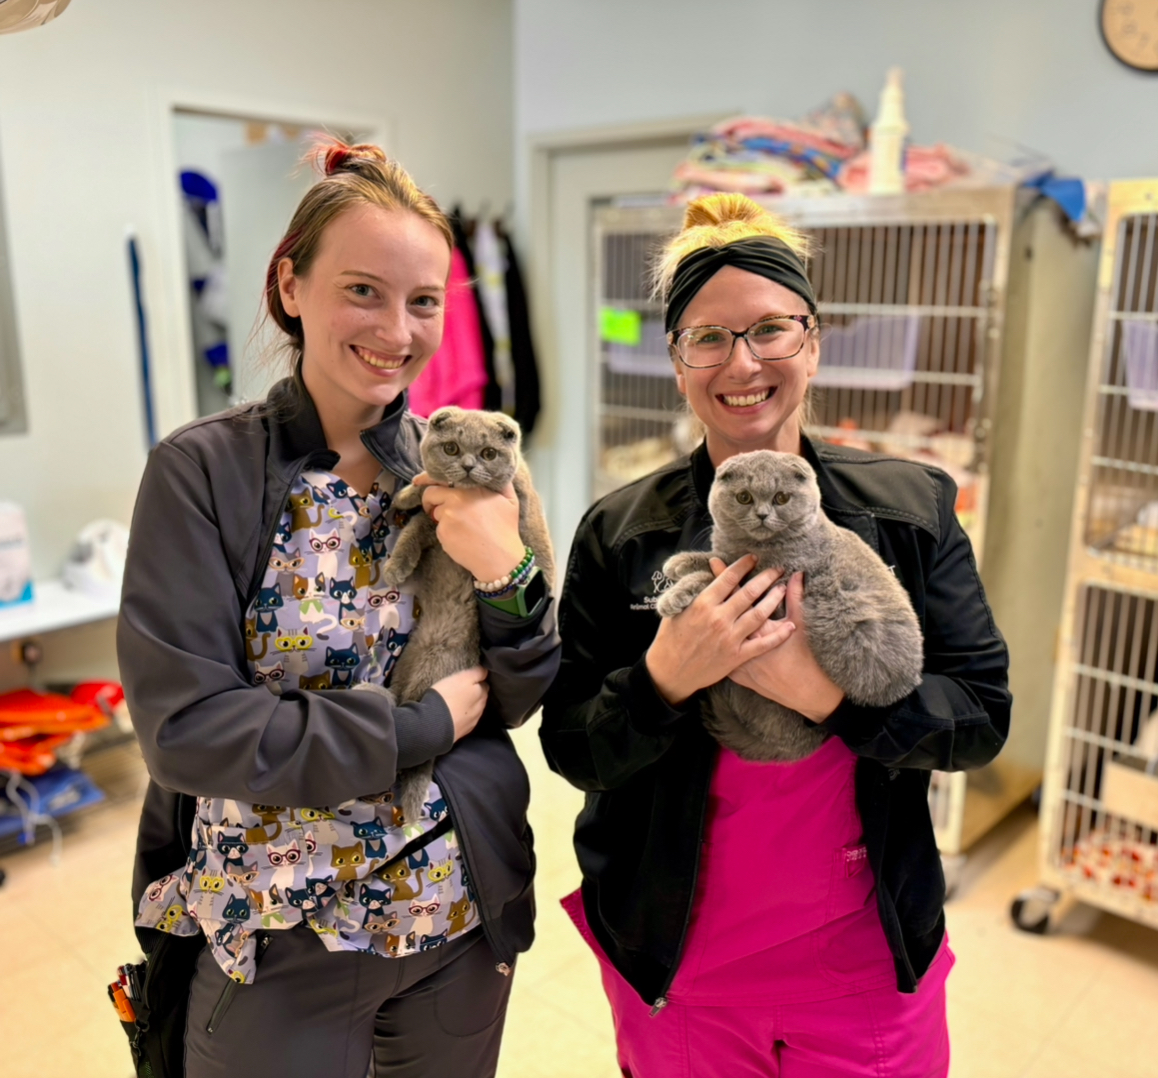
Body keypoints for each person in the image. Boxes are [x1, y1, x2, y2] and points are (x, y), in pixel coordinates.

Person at [540, 193, 1010, 1077]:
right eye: (708, 338)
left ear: (814, 342)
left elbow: (981, 716)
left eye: (770, 331)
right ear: (677, 364)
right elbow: (571, 748)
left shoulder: (910, 510)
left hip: (865, 963)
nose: (741, 362)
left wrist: (828, 698)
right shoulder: (621, 533)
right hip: (680, 966)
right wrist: (663, 680)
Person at [119, 141, 559, 1078]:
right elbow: (188, 732)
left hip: (456, 916)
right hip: (279, 931)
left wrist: (505, 570)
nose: (397, 329)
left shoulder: (473, 463)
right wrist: (415, 727)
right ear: (292, 284)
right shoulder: (204, 474)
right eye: (364, 290)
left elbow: (521, 692)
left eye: (424, 301)